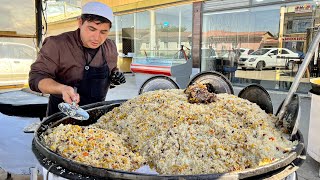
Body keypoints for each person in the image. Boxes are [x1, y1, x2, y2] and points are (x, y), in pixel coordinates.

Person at [29, 1, 125, 117]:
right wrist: (62, 88)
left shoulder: (110, 47)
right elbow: (36, 78)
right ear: (80, 22)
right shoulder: (57, 44)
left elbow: (112, 69)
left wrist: (115, 75)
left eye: (103, 32)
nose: (97, 37)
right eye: (92, 29)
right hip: (62, 116)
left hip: (97, 114)